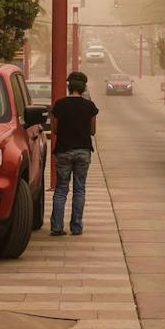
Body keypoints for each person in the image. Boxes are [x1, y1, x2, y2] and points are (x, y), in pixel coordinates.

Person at [49, 71, 98, 236]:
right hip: (83, 151)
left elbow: (54, 129)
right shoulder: (89, 106)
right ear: (83, 87)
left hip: (63, 151)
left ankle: (57, 227)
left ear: (69, 86)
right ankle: (76, 227)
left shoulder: (60, 104)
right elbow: (92, 131)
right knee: (80, 189)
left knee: (61, 189)